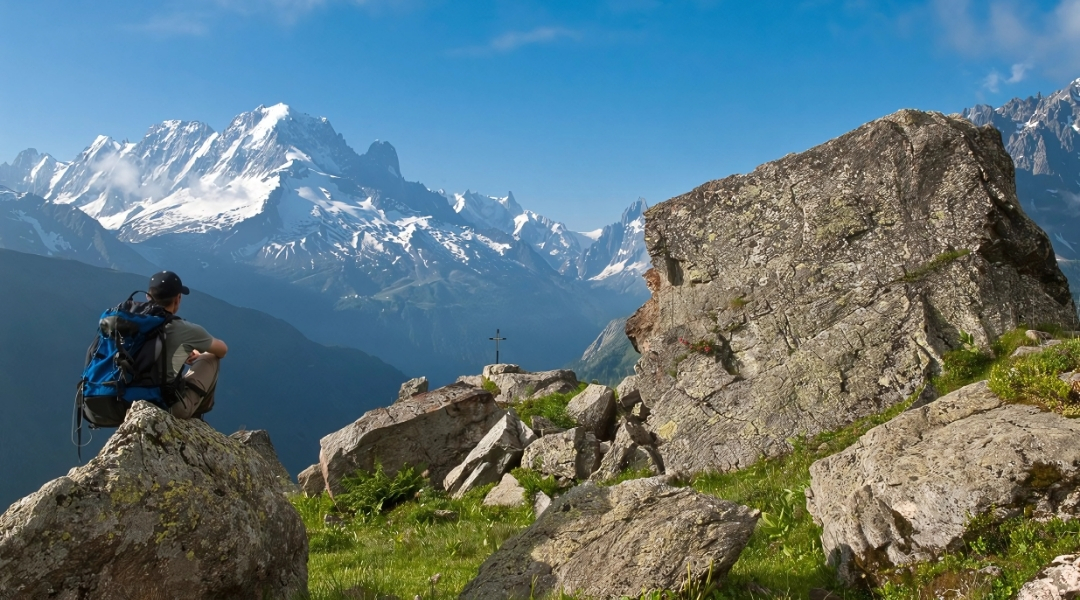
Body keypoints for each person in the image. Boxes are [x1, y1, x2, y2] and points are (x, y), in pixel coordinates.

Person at [146, 271, 228, 419]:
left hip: (125, 400)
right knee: (211, 357)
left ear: (147, 296)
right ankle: (195, 417)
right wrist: (196, 350)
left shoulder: (129, 322)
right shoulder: (183, 329)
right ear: (177, 299)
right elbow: (222, 350)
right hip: (166, 407)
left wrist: (183, 352)